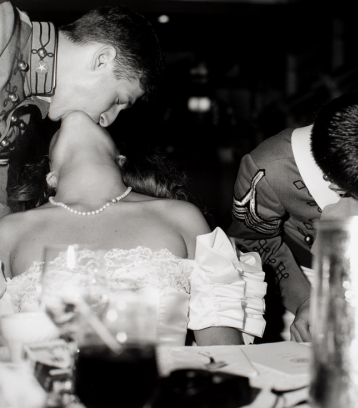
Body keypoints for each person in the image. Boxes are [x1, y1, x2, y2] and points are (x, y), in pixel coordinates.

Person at [0, 112, 266, 346]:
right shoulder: (9, 231)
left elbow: (223, 351)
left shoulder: (180, 217)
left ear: (120, 160)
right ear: (51, 177)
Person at [227, 90, 358, 342]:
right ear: (334, 184)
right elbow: (255, 242)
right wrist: (305, 300)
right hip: (309, 274)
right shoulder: (267, 170)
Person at [0, 2, 163, 216]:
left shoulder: (27, 113)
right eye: (118, 100)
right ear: (102, 60)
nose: (106, 121)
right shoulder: (3, 26)